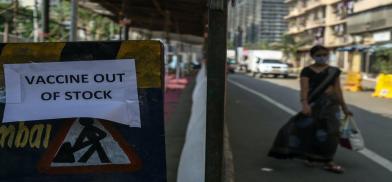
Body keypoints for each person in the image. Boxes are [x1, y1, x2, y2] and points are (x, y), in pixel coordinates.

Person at [268, 45, 353, 174]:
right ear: (313, 57)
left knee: (332, 133)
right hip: (314, 105)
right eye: (319, 55)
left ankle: (329, 161)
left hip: (331, 106)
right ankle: (311, 156)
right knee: (311, 131)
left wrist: (345, 107)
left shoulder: (334, 71)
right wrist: (305, 105)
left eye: (325, 55)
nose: (322, 57)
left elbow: (338, 90)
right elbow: (304, 89)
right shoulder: (306, 71)